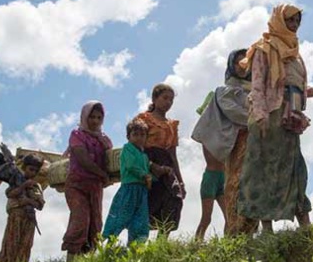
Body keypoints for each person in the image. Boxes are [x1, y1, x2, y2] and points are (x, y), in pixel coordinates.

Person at [236, 4, 313, 231]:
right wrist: (261, 116)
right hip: (270, 116)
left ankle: (305, 225)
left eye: (297, 21)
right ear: (279, 20)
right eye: (290, 20)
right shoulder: (264, 49)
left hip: (291, 118)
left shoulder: (295, 54)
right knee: (265, 171)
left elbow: (297, 88)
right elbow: (258, 86)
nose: (294, 25)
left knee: (295, 168)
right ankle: (267, 229)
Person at [191, 49, 255, 238]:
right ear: (231, 65)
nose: (243, 65)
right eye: (238, 61)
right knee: (236, 186)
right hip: (237, 146)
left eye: (247, 61)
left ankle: (250, 233)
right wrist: (256, 119)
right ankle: (234, 236)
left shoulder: (256, 90)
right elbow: (234, 113)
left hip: (255, 143)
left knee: (253, 185)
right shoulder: (225, 91)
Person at [102, 118, 172, 245]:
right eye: (135, 135)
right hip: (129, 190)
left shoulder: (144, 156)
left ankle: (135, 248)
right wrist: (145, 175)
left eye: (142, 135)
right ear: (128, 137)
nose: (139, 138)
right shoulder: (127, 149)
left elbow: (148, 171)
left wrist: (160, 174)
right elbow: (131, 165)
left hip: (141, 191)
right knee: (120, 217)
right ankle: (109, 245)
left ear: (146, 137)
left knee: (140, 220)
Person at [62, 101, 112, 262]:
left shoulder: (103, 139)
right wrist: (102, 174)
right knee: (80, 219)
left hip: (95, 186)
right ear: (85, 117)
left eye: (99, 117)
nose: (96, 121)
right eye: (92, 117)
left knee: (95, 223)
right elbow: (83, 159)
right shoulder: (77, 135)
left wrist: (106, 147)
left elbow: (110, 159)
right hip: (77, 184)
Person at [136, 84, 185, 237]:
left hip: (167, 166)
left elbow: (173, 154)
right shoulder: (144, 119)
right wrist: (150, 165)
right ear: (154, 98)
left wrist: (180, 180)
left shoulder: (172, 125)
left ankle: (162, 241)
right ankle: (137, 243)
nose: (168, 102)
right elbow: (136, 146)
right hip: (147, 163)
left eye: (171, 100)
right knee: (148, 202)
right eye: (164, 98)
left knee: (174, 198)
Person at [0, 153, 45, 262]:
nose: (32, 173)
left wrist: (28, 201)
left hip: (29, 218)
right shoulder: (16, 179)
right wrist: (23, 186)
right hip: (16, 216)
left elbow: (40, 205)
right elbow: (10, 193)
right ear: (24, 167)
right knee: (11, 243)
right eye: (30, 169)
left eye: (35, 171)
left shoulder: (37, 186)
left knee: (25, 244)